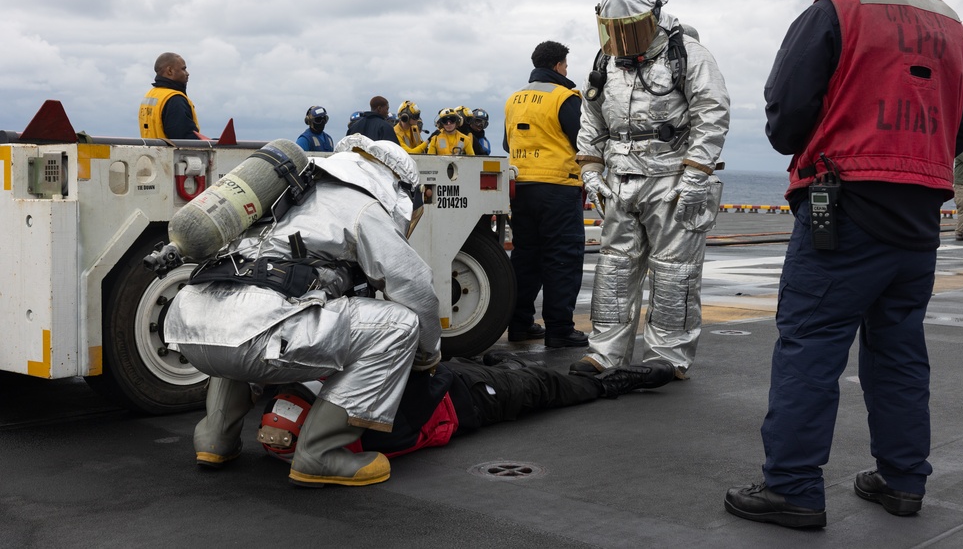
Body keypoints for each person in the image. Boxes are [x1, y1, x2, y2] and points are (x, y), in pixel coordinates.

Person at [725, 0, 963, 529]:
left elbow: (787, 107)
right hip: (920, 215)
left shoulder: (836, 10)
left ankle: (792, 487)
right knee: (898, 350)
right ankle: (902, 481)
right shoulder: (951, 23)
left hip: (841, 212)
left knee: (810, 346)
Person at [164, 134, 441, 488]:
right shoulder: (362, 204)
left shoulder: (284, 192)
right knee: (401, 325)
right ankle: (320, 454)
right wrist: (428, 354)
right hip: (258, 336)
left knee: (246, 311)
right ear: (398, 185)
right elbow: (414, 285)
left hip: (191, 326)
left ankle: (214, 438)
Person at [571, 0, 730, 376]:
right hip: (620, 180)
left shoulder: (689, 55)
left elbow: (711, 114)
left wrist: (695, 175)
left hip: (673, 179)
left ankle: (667, 357)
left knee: (674, 272)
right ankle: (606, 352)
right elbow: (591, 121)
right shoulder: (605, 62)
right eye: (613, 29)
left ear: (654, 18)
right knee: (613, 269)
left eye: (629, 28)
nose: (621, 38)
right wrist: (590, 172)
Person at [259, 353, 676, 461]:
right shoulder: (376, 433)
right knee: (548, 387)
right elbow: (432, 382)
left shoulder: (326, 418)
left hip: (459, 383)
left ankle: (508, 364)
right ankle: (623, 380)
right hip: (470, 398)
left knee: (506, 373)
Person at [503, 41, 589, 348]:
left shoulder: (515, 99)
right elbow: (585, 141)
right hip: (558, 188)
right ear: (557, 66)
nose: (567, 70)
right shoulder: (565, 97)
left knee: (526, 257)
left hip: (520, 188)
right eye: (566, 65)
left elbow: (506, 143)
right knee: (562, 257)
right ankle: (559, 329)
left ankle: (519, 323)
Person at [138, 52, 210, 140]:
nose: (187, 73)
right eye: (183, 69)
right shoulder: (175, 99)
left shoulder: (151, 94)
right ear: (170, 71)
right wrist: (214, 143)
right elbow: (185, 139)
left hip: (151, 152)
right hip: (170, 153)